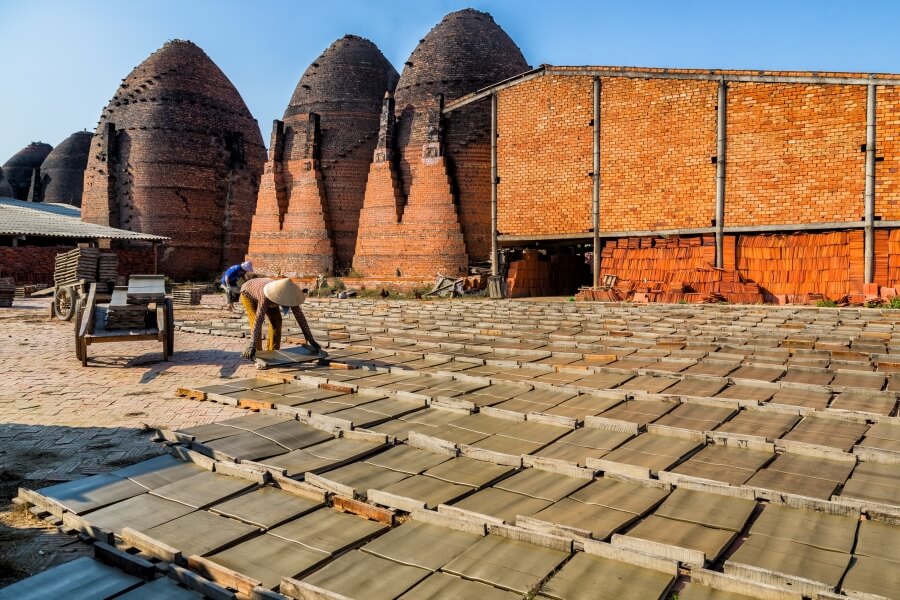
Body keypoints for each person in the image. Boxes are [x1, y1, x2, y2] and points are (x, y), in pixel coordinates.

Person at [239, 277, 321, 359]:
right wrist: (251, 343)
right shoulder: (265, 297)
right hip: (248, 293)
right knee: (255, 320)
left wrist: (311, 340)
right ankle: (257, 353)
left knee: (277, 320)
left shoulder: (290, 296)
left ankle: (273, 352)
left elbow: (300, 318)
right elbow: (258, 319)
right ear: (277, 296)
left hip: (264, 291)